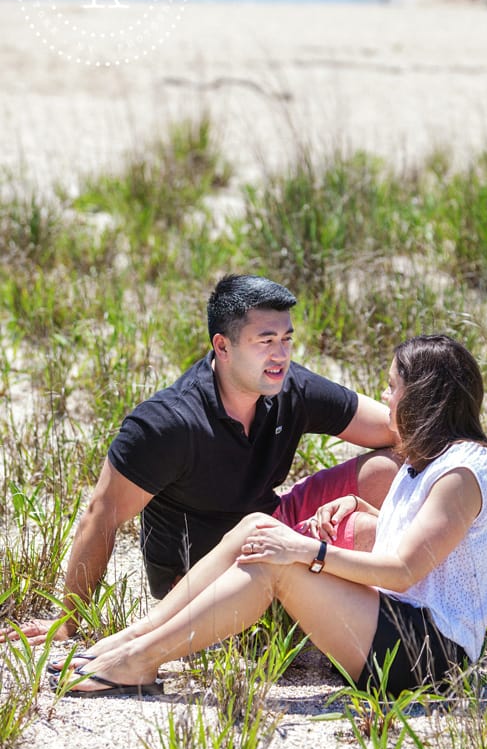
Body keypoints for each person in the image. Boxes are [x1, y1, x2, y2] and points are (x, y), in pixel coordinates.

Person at [50, 334, 487, 698]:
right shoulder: (428, 458)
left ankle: (142, 660)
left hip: (429, 657)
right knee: (256, 527)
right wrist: (357, 507)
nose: (386, 398)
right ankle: (131, 640)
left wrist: (307, 550)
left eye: (392, 387)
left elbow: (405, 569)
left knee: (276, 560)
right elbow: (418, 546)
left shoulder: (463, 470)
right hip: (399, 625)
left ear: (421, 397)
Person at [4, 274, 398, 646]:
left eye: (286, 339)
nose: (280, 355)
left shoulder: (288, 385)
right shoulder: (168, 424)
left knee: (390, 467)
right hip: (202, 577)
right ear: (222, 346)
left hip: (270, 528)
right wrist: (70, 620)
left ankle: (418, 600)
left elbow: (394, 429)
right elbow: (101, 514)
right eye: (265, 341)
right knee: (359, 532)